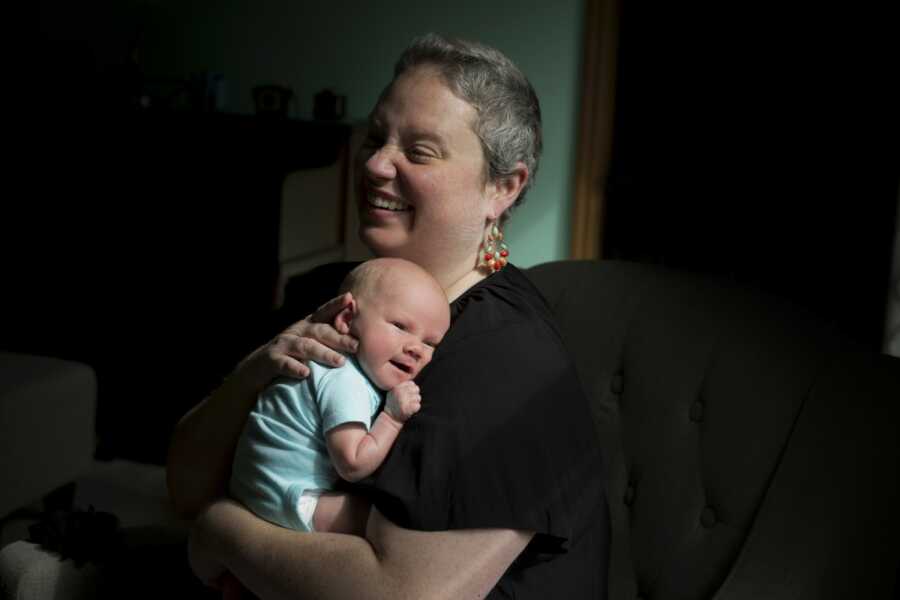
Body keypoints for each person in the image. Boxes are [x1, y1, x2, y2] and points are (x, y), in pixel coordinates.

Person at [168, 32, 609, 599]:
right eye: (377, 138)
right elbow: (184, 485)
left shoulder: (505, 356)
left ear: (503, 187)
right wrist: (259, 368)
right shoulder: (338, 296)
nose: (375, 164)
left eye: (419, 151)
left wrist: (221, 531)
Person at [229, 257, 450, 536]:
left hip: (251, 486)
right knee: (388, 527)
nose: (417, 348)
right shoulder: (344, 378)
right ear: (346, 318)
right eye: (400, 326)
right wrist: (392, 418)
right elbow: (353, 463)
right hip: (288, 496)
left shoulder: (338, 367)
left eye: (430, 343)